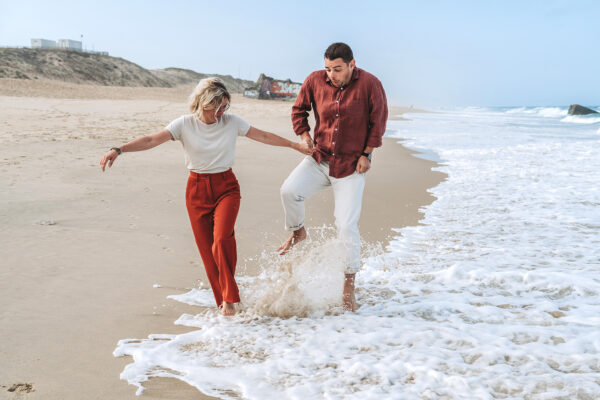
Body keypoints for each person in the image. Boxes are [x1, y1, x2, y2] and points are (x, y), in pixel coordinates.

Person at [100, 77, 311, 316]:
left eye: (225, 107)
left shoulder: (231, 123)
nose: (221, 112)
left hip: (226, 188)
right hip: (196, 191)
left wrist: (295, 146)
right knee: (208, 253)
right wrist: (118, 149)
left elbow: (262, 136)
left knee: (221, 240)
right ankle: (224, 301)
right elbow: (151, 140)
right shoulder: (184, 124)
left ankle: (230, 302)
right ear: (203, 103)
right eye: (217, 107)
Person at [278, 42, 388, 312]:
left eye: (337, 69)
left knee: (346, 226)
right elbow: (299, 111)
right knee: (289, 191)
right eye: (328, 69)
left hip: (351, 166)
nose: (331, 75)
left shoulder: (371, 84)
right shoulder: (314, 80)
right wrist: (304, 136)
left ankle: (348, 285)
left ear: (352, 64)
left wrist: (367, 155)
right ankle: (297, 231)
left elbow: (379, 121)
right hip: (319, 158)